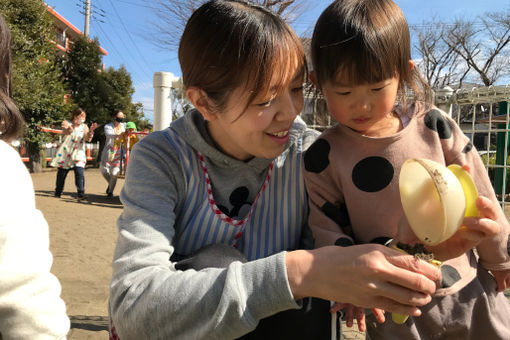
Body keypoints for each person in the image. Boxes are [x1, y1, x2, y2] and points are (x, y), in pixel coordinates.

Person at [108, 1, 498, 339]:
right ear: (204, 103)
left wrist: (421, 249)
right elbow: (133, 310)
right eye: (264, 101)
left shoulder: (310, 152)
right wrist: (299, 271)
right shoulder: (162, 158)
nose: (291, 112)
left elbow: (350, 254)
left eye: (296, 89)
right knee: (218, 262)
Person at [303, 0, 510, 338]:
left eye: (376, 88)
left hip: (467, 286)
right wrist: (349, 285)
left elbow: (481, 195)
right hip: (392, 301)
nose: (362, 104)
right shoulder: (323, 155)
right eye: (343, 91)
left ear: (404, 74)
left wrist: (500, 255)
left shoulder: (433, 125)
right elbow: (325, 225)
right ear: (318, 82)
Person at [0, 13, 70, 338]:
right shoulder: (5, 166)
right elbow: (25, 309)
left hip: (75, 156)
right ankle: (60, 192)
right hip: (68, 155)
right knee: (63, 176)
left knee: (72, 175)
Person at [50, 107, 97, 200]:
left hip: (78, 152)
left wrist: (91, 131)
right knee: (62, 174)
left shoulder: (84, 126)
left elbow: (88, 138)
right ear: (76, 115)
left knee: (79, 172)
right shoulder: (66, 123)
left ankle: (81, 193)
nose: (83, 118)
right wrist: (72, 127)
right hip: (65, 152)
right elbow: (66, 131)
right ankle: (58, 191)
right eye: (81, 116)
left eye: (84, 116)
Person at [101, 109, 126, 197]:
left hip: (119, 153)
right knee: (104, 171)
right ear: (114, 117)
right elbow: (109, 135)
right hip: (109, 152)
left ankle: (110, 192)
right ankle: (111, 183)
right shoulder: (108, 126)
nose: (122, 118)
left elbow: (130, 132)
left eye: (123, 117)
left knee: (114, 173)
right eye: (120, 117)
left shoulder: (124, 126)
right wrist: (119, 135)